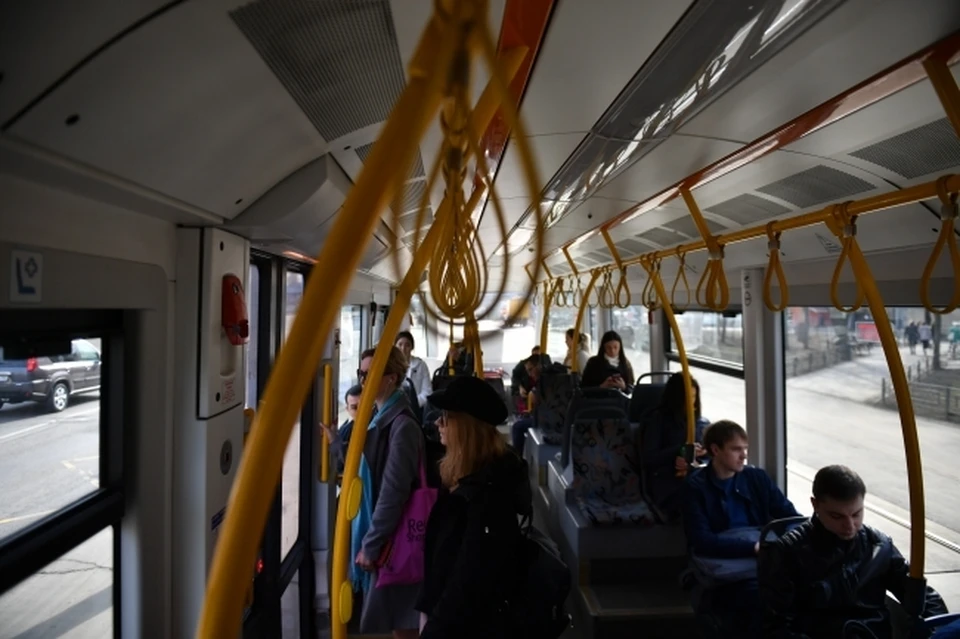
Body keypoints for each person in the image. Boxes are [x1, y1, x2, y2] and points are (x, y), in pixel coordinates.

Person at [759, 464, 947, 638]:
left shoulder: (879, 545)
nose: (850, 526)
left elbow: (919, 595)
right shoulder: (787, 553)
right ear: (815, 505)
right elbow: (777, 625)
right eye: (837, 516)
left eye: (857, 514)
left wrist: (940, 630)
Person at [416, 375, 533, 638]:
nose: (437, 423)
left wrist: (432, 629)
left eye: (445, 417)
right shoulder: (470, 478)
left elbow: (465, 582)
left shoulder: (486, 497)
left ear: (465, 428)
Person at [320, 345, 424, 638]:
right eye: (361, 373)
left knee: (402, 620)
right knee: (396, 616)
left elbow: (392, 492)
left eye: (371, 373)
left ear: (391, 378)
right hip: (385, 534)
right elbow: (367, 463)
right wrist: (336, 444)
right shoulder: (380, 416)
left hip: (393, 537)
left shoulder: (401, 426)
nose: (363, 380)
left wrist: (371, 544)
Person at [682, 420, 800, 637]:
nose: (744, 456)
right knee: (758, 600)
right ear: (715, 450)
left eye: (745, 449)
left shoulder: (757, 478)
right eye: (736, 449)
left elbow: (790, 517)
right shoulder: (696, 487)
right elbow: (701, 540)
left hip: (760, 556)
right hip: (730, 562)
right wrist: (752, 548)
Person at [639, 372, 709, 517]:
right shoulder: (657, 420)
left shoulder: (700, 423)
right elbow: (649, 458)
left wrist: (700, 459)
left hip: (695, 476)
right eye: (687, 398)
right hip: (667, 480)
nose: (691, 404)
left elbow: (710, 456)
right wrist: (680, 450)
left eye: (694, 397)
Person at [395, 330, 431, 409]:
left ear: (412, 347)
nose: (403, 348)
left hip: (417, 407)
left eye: (407, 345)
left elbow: (427, 391)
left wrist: (413, 403)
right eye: (400, 344)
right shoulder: (391, 367)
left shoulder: (421, 365)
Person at [335, 384, 362, 474]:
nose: (360, 411)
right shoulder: (345, 430)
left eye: (363, 406)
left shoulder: (378, 427)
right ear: (347, 409)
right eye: (354, 407)